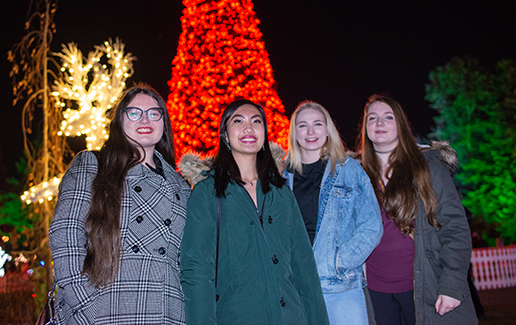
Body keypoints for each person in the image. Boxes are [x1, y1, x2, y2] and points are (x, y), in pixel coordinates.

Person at [49, 84, 191, 325]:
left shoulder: (183, 187)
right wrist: (87, 309)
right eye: (134, 112)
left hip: (169, 312)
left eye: (154, 113)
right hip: (109, 311)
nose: (145, 119)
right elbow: (66, 239)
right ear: (119, 121)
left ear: (164, 123)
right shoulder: (94, 165)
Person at [179, 99, 329, 325]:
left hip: (291, 317)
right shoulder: (206, 194)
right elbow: (197, 271)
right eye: (238, 121)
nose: (249, 128)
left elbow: (304, 268)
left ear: (264, 134)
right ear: (225, 136)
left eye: (256, 121)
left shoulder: (282, 193)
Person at [358, 94, 477, 325]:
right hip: (375, 291)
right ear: (365, 128)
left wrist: (452, 283)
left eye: (388, 117)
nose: (379, 123)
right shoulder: (356, 173)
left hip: (422, 287)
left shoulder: (428, 167)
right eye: (372, 118)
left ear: (400, 125)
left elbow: (455, 227)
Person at [282, 101, 383, 324]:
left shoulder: (349, 170)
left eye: (317, 124)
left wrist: (338, 261)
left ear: (327, 130)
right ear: (294, 132)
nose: (310, 132)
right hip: (295, 289)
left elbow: (372, 226)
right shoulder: (280, 177)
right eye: (302, 125)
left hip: (340, 288)